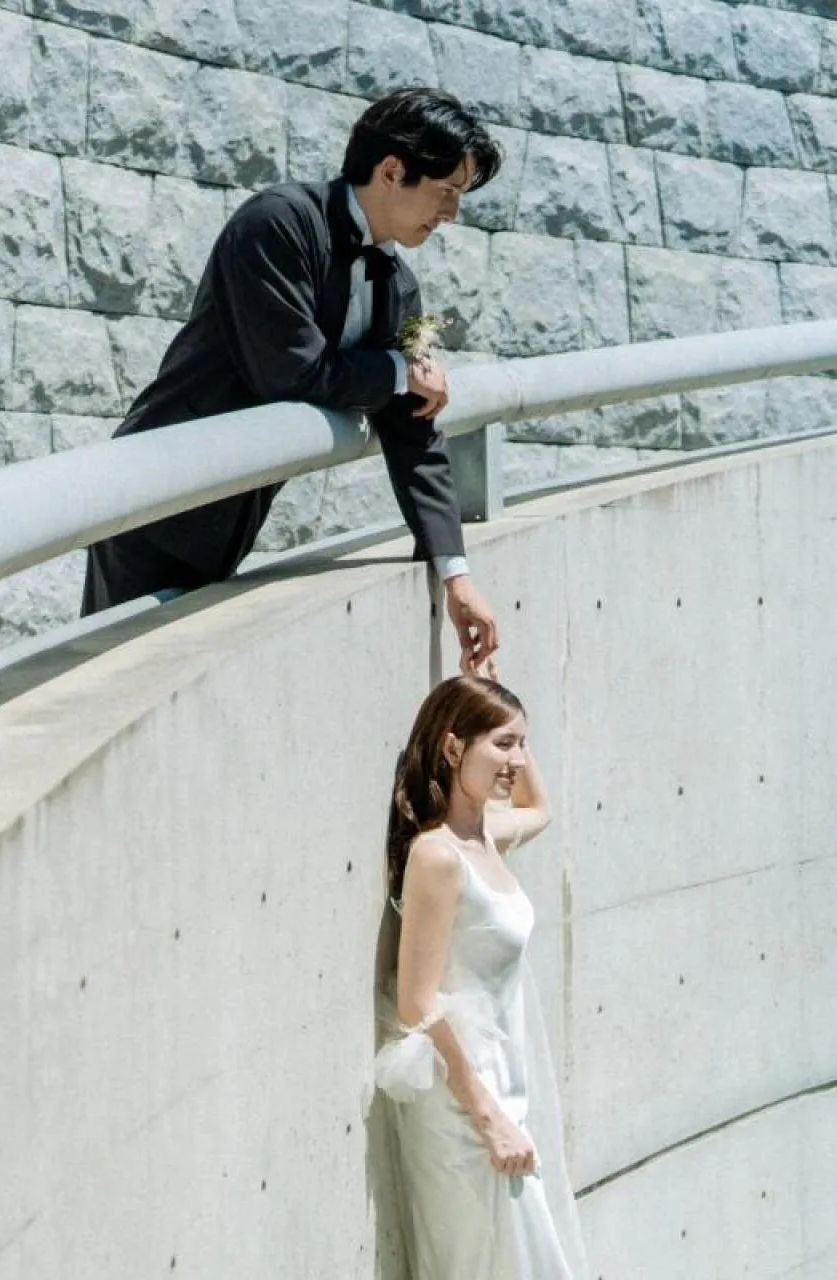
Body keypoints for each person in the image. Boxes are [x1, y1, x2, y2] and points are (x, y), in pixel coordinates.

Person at [82, 88, 502, 674]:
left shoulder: (398, 285)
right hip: (154, 508)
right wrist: (399, 370)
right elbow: (289, 369)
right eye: (447, 191)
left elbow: (414, 425)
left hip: (229, 520)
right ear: (391, 171)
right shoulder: (276, 223)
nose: (453, 213)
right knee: (105, 682)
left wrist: (456, 575)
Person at [371, 675, 588, 1278]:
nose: (516, 760)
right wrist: (487, 1118)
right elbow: (417, 1005)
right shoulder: (437, 855)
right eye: (503, 744)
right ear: (451, 747)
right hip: (465, 1111)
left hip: (504, 1093)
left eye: (523, 744)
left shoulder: (486, 837)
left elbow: (540, 810)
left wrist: (492, 684)